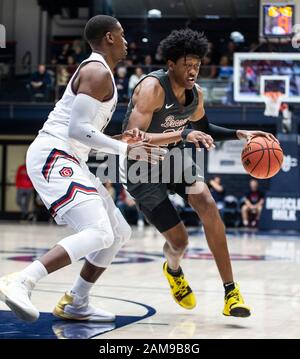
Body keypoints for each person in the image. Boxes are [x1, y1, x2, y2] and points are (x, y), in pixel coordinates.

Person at [0, 15, 164, 323]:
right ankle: (21, 280)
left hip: (70, 155)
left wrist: (119, 139)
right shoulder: (96, 71)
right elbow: (76, 131)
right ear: (109, 37)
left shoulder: (101, 73)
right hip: (54, 153)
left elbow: (84, 132)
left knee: (117, 233)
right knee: (99, 231)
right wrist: (126, 149)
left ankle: (76, 301)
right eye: (123, 34)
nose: (127, 41)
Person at [122, 28, 278, 317]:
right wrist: (182, 135)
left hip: (174, 159)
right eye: (187, 65)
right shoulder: (152, 90)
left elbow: (203, 130)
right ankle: (173, 270)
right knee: (180, 241)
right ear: (171, 65)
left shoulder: (196, 95)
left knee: (208, 205)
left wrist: (239, 133)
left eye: (197, 65)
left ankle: (231, 292)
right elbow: (131, 142)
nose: (193, 70)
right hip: (142, 166)